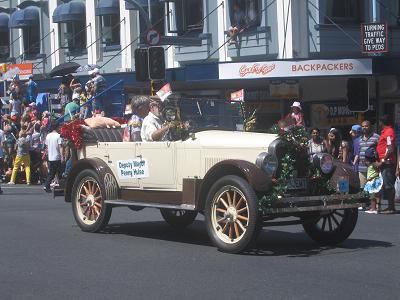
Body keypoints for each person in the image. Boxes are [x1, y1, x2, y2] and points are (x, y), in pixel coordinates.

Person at [376, 115, 396, 214]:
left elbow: (390, 148)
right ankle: (390, 206)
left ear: (381, 122)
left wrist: (382, 161)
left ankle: (391, 207)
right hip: (384, 162)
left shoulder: (389, 132)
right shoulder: (385, 132)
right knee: (386, 185)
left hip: (387, 163)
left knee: (389, 185)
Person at [358, 120, 380, 189]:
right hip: (361, 168)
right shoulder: (360, 139)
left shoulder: (376, 137)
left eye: (366, 126)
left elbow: (380, 151)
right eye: (363, 126)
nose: (364, 128)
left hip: (372, 168)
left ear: (370, 127)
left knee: (373, 190)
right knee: (363, 189)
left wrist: (377, 162)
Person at [43, 123, 63, 193]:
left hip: (50, 156)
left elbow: (47, 146)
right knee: (59, 172)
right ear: (57, 128)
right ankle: (59, 186)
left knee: (52, 172)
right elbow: (60, 147)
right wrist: (62, 156)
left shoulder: (48, 136)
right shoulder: (58, 136)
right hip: (56, 156)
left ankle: (47, 185)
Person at [363, 147, 383, 214]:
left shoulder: (374, 164)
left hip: (373, 181)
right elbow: (365, 163)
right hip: (371, 181)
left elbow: (377, 172)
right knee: (373, 195)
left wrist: (372, 177)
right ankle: (375, 208)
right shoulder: (370, 164)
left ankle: (374, 208)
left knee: (373, 195)